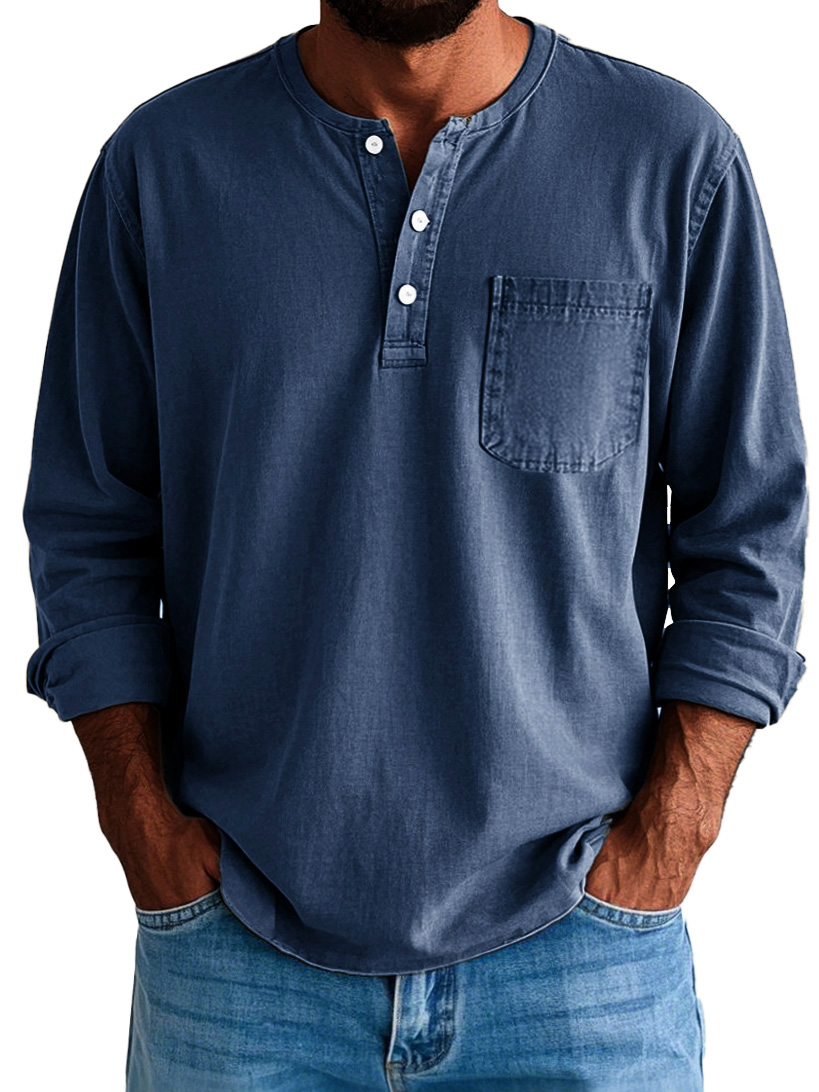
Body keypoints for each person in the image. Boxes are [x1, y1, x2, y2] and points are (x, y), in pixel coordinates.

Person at [22, 1, 808, 1089]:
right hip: (237, 965)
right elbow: (88, 522)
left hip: (583, 965)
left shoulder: (670, 156)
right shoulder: (162, 168)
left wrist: (675, 827)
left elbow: (752, 524)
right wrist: (141, 826)